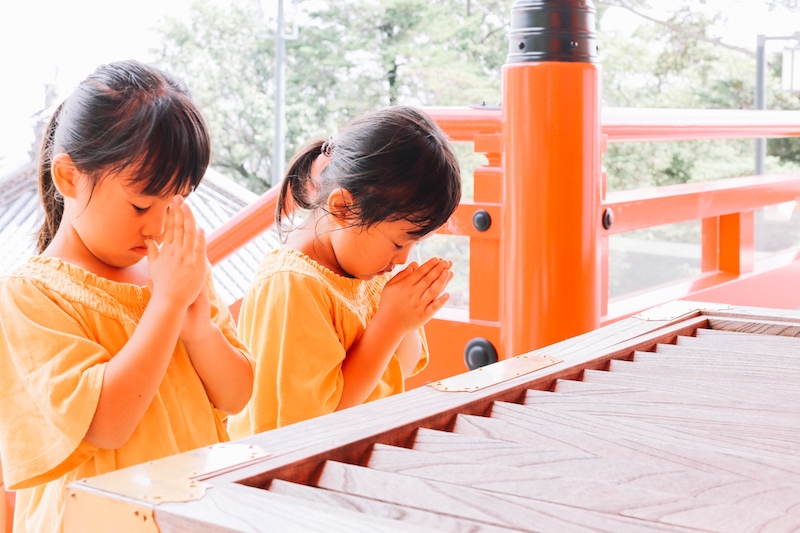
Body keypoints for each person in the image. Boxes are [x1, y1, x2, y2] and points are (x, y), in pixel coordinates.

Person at [0, 60, 254, 533]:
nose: (158, 224)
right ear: (70, 177)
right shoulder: (32, 292)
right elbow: (106, 423)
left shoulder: (177, 268)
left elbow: (237, 394)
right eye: (141, 203)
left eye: (176, 201)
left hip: (189, 510)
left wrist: (196, 324)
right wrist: (167, 305)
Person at [228, 106, 462, 438]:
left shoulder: (367, 267)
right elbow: (318, 422)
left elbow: (401, 369)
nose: (402, 259)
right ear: (343, 207)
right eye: (398, 243)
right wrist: (391, 322)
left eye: (415, 244)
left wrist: (406, 319)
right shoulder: (292, 285)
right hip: (288, 471)